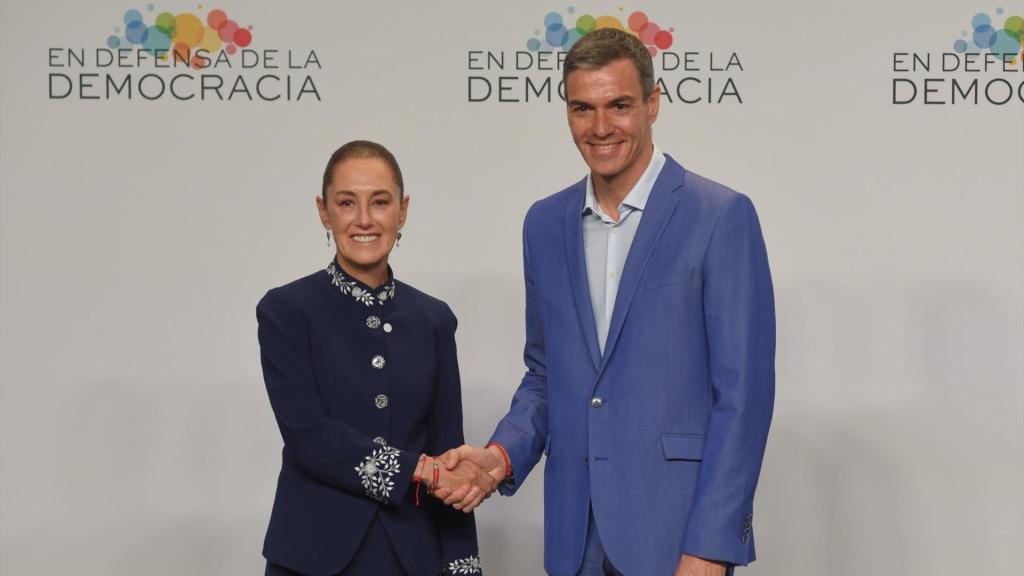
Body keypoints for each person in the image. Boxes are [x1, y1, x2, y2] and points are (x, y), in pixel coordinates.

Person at [443, 29, 776, 576]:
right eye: (583, 108)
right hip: (575, 539)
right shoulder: (544, 224)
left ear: (652, 102)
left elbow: (743, 398)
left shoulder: (719, 216)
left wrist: (712, 546)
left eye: (619, 105)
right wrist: (499, 457)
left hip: (676, 541)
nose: (600, 128)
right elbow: (547, 376)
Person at [257, 140, 490, 576]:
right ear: (324, 212)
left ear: (402, 212)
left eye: (380, 202)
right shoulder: (286, 311)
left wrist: (463, 565)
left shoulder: (434, 319)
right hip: (311, 557)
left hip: (411, 556)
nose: (364, 219)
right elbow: (310, 436)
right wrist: (420, 470)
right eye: (347, 203)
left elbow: (448, 452)